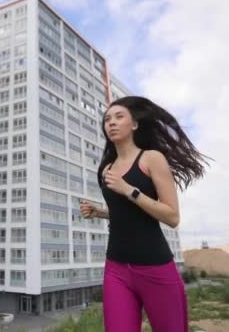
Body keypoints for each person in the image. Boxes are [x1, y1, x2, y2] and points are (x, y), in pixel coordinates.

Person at [79, 96, 209, 332]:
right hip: (116, 268)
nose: (112, 123)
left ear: (135, 125)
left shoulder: (151, 158)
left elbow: (172, 217)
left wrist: (129, 189)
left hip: (155, 267)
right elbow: (127, 213)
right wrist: (100, 212)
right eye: (107, 119)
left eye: (119, 117)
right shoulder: (106, 169)